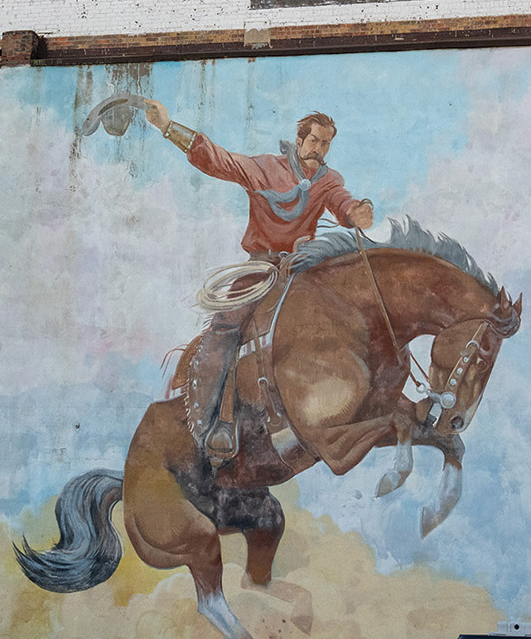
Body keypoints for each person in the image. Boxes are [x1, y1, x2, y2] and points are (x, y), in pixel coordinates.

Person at [142, 100, 375, 462]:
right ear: (299, 141)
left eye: (326, 144)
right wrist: (168, 126)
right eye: (314, 141)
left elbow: (342, 203)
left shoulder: (329, 181)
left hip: (301, 269)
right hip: (260, 269)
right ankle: (207, 424)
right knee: (225, 329)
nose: (319, 150)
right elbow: (221, 161)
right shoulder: (266, 168)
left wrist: (356, 211)